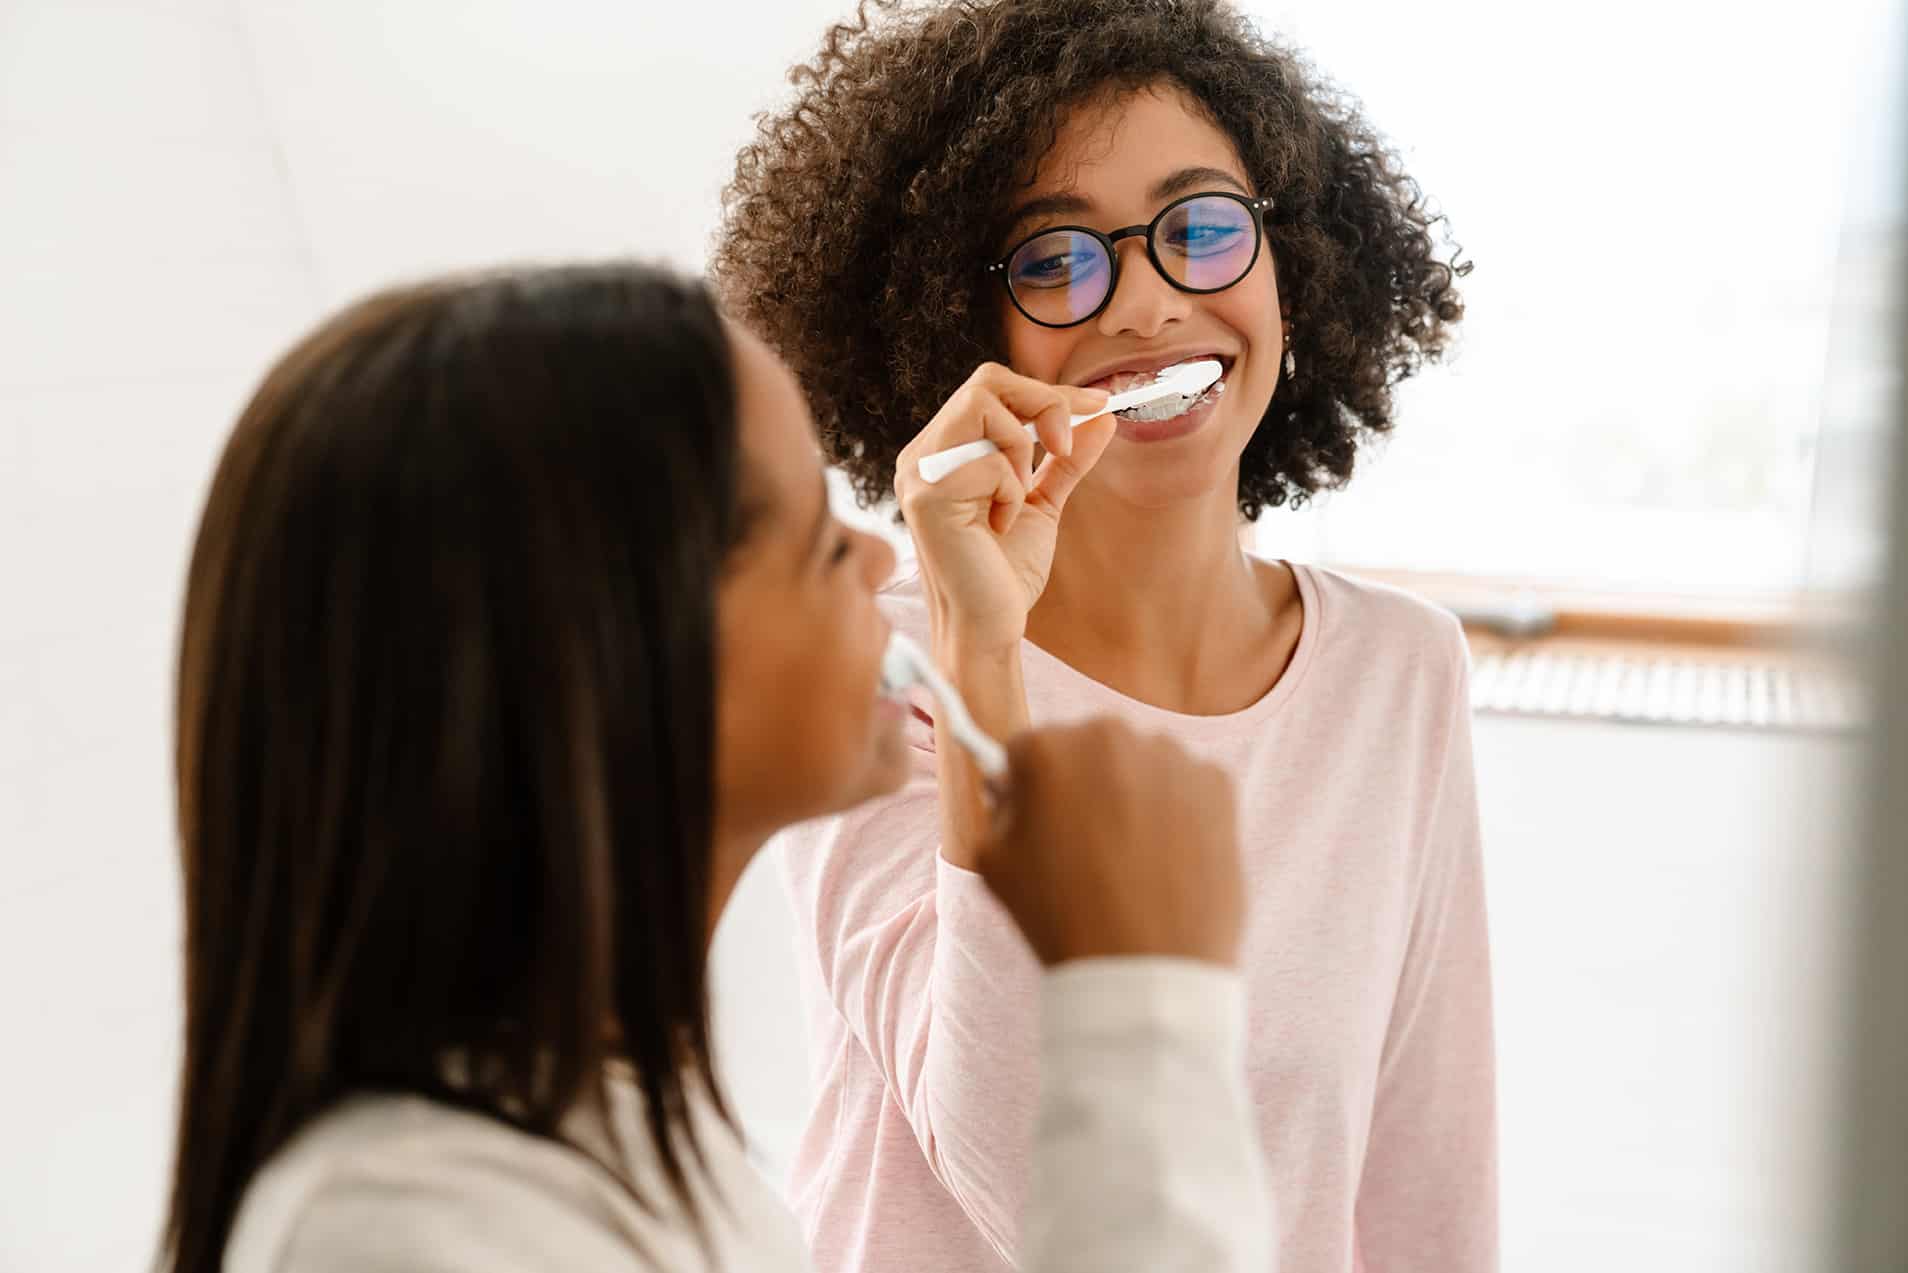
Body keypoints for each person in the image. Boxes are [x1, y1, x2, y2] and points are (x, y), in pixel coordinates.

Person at [157, 265, 1268, 1272]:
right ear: (603, 648)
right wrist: (1144, 1001)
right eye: (819, 540)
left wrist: (984, 642)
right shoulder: (413, 1233)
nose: (882, 554)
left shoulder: (643, 1155)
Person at [711, 2, 1497, 1270]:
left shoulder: (1400, 670)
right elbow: (1024, 1183)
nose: (1145, 305)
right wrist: (982, 641)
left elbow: (1424, 1192)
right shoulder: (878, 666)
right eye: (1058, 257)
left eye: (1199, 229)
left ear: (1289, 264)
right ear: (955, 328)